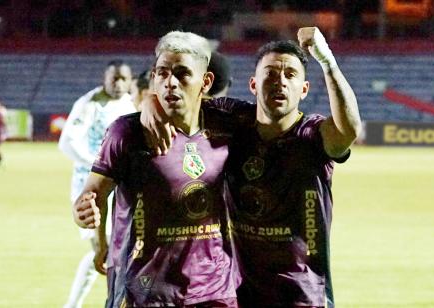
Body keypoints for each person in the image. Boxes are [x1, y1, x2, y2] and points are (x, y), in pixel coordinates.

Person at [140, 26, 361, 307]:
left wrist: (327, 62)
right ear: (254, 84)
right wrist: (150, 101)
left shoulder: (312, 135)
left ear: (304, 89)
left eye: (290, 75)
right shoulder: (232, 120)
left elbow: (348, 130)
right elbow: (180, 100)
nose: (279, 82)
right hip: (239, 292)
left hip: (303, 294)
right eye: (270, 73)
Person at [72, 31, 249, 307]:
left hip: (214, 291)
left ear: (206, 82)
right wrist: (84, 210)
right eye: (162, 73)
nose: (170, 83)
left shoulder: (228, 123)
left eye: (181, 74)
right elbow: (92, 193)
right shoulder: (127, 132)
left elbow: (279, 115)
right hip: (144, 292)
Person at [59, 60, 134, 308]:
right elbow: (67, 143)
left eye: (123, 78)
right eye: (114, 78)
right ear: (105, 78)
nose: (119, 83)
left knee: (113, 249)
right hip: (89, 187)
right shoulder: (90, 104)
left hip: (120, 189)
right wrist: (97, 164)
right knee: (103, 249)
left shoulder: (128, 103)